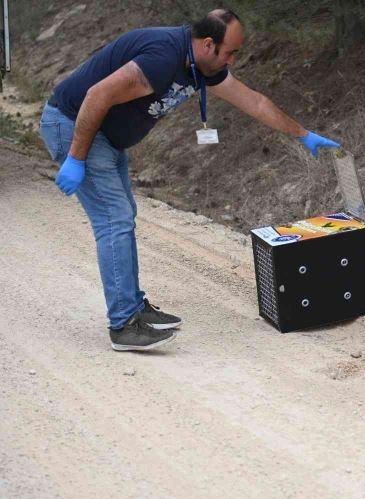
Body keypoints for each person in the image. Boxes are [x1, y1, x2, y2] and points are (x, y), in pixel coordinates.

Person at [39, 9, 340, 352]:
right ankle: (123, 325)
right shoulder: (162, 56)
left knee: (123, 215)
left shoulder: (201, 65)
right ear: (208, 44)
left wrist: (304, 135)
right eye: (230, 52)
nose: (232, 60)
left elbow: (254, 102)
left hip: (105, 138)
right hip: (73, 125)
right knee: (114, 219)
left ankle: (134, 307)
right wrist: (76, 158)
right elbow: (97, 95)